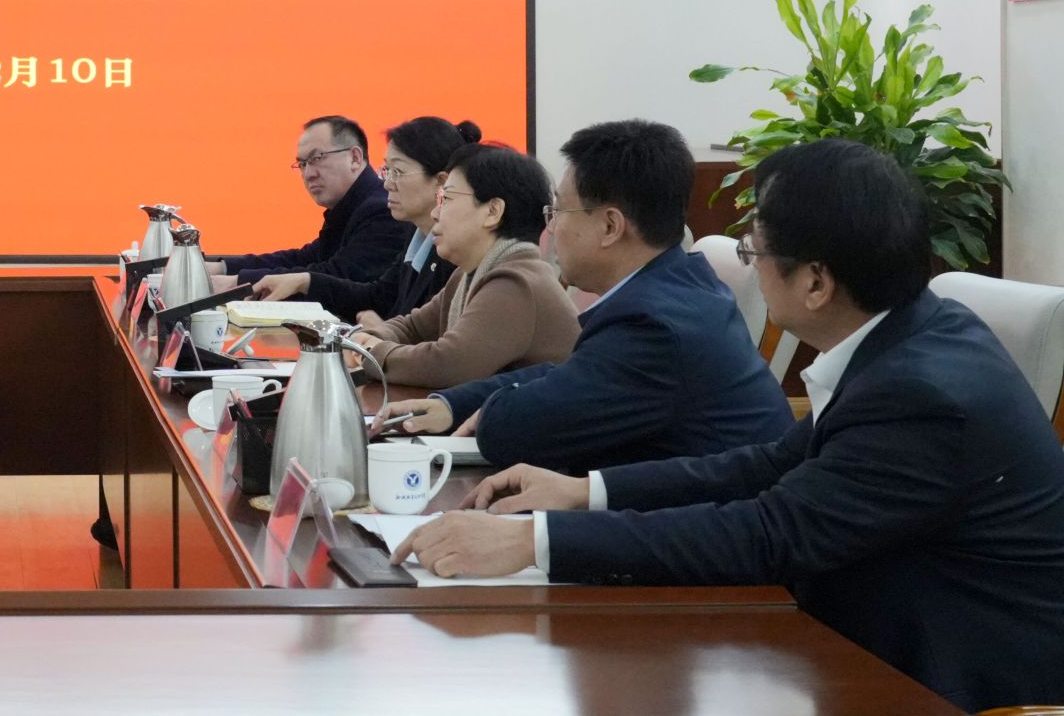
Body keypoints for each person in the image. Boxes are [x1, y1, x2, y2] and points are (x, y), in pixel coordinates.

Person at [391, 139, 1064, 715]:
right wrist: (585, 492)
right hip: (856, 627)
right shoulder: (914, 334)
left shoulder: (921, 393)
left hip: (941, 678)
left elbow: (770, 533)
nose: (749, 261)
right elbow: (768, 465)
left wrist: (530, 541)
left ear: (816, 282)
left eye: (756, 248)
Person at [391, 119, 792, 470]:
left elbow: (513, 430)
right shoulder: (677, 284)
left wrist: (487, 411)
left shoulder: (654, 325)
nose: (551, 229)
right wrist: (453, 404)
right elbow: (564, 373)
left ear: (610, 226)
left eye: (558, 212)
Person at [342, 143, 576, 390]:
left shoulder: (516, 283)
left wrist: (372, 352)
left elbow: (448, 364)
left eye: (446, 198)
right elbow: (413, 327)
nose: (435, 213)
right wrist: (372, 338)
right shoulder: (467, 274)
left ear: (493, 211)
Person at [249, 116, 476, 318]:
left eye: (397, 172)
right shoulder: (414, 232)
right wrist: (304, 281)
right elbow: (380, 296)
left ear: (440, 181)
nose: (387, 184)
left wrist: (383, 337)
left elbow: (430, 336)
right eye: (386, 171)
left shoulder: (456, 252)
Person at [205, 115, 412, 287]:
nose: (308, 174)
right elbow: (304, 259)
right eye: (303, 164)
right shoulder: (349, 207)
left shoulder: (381, 210)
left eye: (317, 159)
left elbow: (336, 276)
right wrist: (222, 267)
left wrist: (237, 283)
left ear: (355, 158)